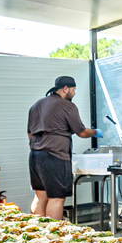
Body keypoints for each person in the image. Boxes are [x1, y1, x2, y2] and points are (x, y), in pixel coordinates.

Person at [27, 76, 97, 220]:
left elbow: (30, 133)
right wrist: (95, 132)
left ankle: (36, 234)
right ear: (65, 89)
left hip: (35, 156)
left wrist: (41, 146)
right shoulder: (67, 106)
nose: (74, 93)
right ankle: (54, 238)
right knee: (56, 198)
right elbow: (82, 132)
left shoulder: (36, 105)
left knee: (40, 196)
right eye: (73, 90)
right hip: (55, 156)